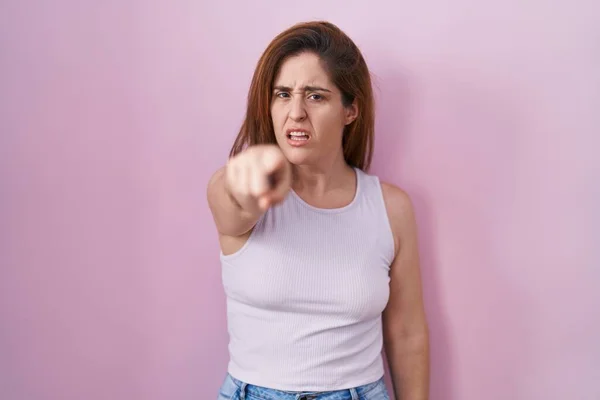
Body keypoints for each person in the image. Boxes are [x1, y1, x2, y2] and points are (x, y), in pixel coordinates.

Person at [207, 20, 429, 400]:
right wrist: (246, 178)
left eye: (315, 96)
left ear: (350, 110)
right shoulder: (239, 189)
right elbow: (232, 203)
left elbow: (407, 333)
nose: (295, 112)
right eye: (282, 94)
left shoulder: (391, 208)